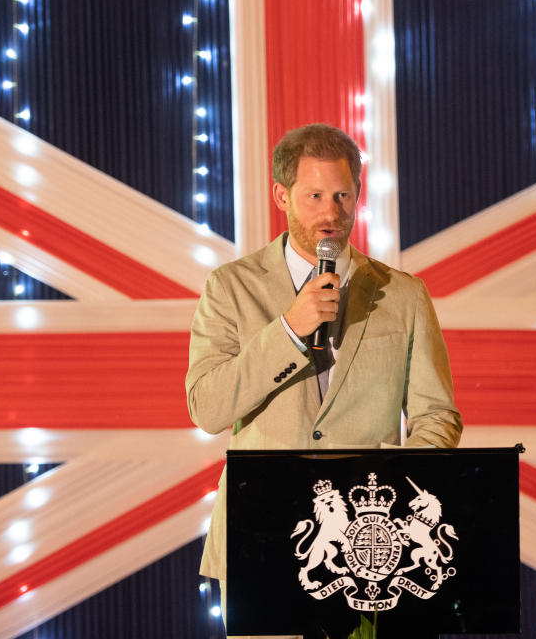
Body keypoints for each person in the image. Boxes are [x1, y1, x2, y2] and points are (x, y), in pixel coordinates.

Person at [185, 123, 462, 636]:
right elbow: (207, 407)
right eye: (314, 195)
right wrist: (290, 328)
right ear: (281, 195)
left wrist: (398, 496)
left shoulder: (402, 295)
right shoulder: (230, 287)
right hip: (261, 538)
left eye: (342, 195)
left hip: (374, 551)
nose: (330, 212)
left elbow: (436, 415)